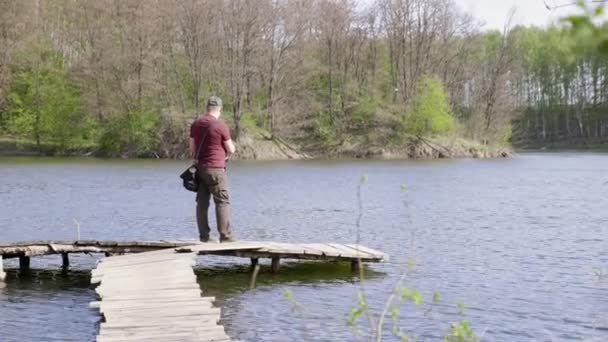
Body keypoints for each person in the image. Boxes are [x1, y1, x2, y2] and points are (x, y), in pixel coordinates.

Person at [189, 96, 236, 242]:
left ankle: (204, 237)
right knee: (222, 200)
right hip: (215, 168)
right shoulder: (220, 125)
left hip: (200, 168)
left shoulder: (196, 123)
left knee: (202, 202)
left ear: (207, 108)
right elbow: (231, 149)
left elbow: (192, 149)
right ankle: (225, 236)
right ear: (220, 109)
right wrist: (227, 155)